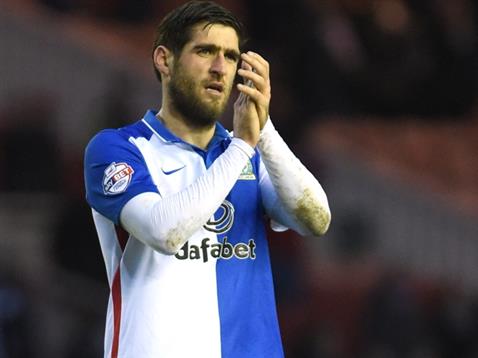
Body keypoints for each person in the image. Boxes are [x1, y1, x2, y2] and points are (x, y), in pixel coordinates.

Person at [83, 1, 331, 357]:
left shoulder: (250, 153)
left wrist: (265, 132)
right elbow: (163, 232)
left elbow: (317, 219)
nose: (220, 68)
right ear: (164, 60)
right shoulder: (118, 148)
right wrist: (243, 145)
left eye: (231, 57)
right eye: (205, 51)